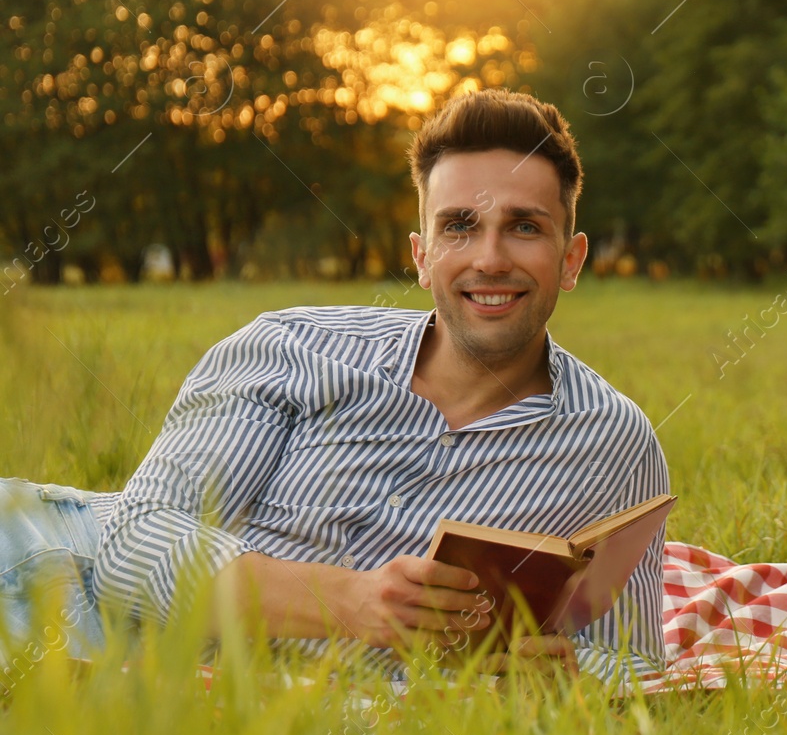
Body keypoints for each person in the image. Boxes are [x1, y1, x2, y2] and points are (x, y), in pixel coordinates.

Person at [0, 90, 668, 681]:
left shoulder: (614, 444)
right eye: (459, 226)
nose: (490, 258)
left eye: (525, 226)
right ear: (421, 256)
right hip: (42, 566)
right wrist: (351, 602)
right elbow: (133, 545)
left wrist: (564, 674)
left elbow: (635, 659)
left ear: (571, 259)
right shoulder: (293, 347)